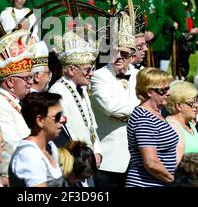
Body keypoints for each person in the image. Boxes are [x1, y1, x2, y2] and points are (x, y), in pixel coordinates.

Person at [91, 11, 139, 187]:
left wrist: (126, 113)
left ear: (133, 56)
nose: (118, 57)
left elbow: (153, 104)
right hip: (109, 159)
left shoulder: (140, 75)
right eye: (114, 52)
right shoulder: (99, 76)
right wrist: (139, 110)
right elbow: (110, 107)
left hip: (137, 157)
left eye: (124, 54)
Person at [49, 28, 103, 170]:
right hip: (75, 163)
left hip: (88, 160)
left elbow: (91, 126)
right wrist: (84, 158)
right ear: (71, 70)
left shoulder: (82, 88)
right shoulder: (58, 91)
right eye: (87, 70)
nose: (92, 74)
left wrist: (97, 152)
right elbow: (66, 132)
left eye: (92, 69)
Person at [126, 67, 177, 187]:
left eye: (168, 88)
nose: (168, 93)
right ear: (149, 92)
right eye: (163, 90)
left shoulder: (157, 113)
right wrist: (174, 181)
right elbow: (151, 163)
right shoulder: (144, 119)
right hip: (145, 183)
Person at [0, 30, 34, 151]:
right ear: (10, 82)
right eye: (27, 78)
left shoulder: (13, 101)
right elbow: (12, 145)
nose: (31, 82)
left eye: (31, 77)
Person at [9, 92, 65, 187]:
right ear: (40, 120)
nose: (63, 119)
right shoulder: (28, 155)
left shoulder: (50, 146)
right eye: (57, 116)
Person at [165, 81, 198, 163]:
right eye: (192, 103)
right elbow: (176, 162)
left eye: (196, 101)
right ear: (179, 106)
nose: (196, 105)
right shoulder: (172, 126)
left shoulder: (190, 125)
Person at [129, 0, 166, 69]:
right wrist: (140, 34)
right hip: (139, 39)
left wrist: (153, 32)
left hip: (155, 39)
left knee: (155, 68)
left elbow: (161, 16)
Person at [165, 0, 198, 79]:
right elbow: (162, 12)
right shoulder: (173, 1)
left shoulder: (189, 3)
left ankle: (183, 78)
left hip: (189, 36)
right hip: (179, 36)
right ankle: (177, 78)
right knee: (177, 60)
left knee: (185, 61)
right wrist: (172, 23)